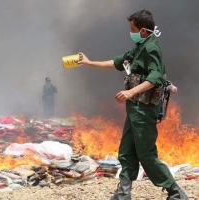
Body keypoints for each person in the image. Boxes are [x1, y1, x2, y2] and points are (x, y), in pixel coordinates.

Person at [78, 10, 188, 200]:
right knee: (127, 151)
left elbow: (156, 77)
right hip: (134, 110)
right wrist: (89, 63)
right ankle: (123, 194)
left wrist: (131, 92)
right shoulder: (140, 45)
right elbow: (118, 62)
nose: (131, 32)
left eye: (133, 29)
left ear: (144, 31)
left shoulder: (151, 48)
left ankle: (175, 192)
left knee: (146, 155)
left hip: (144, 110)